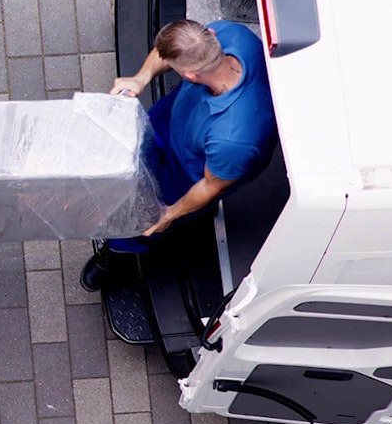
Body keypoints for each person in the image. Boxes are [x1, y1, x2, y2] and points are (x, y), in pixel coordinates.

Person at [80, 18, 278, 290]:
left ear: (190, 77)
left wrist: (169, 214)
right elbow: (166, 51)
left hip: (187, 172)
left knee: (141, 216)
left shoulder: (234, 138)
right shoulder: (229, 34)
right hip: (173, 122)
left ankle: (120, 251)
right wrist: (142, 78)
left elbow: (210, 185)